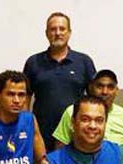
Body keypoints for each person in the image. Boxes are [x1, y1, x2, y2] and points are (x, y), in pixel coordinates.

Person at [23, 12, 96, 151]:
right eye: (53, 29)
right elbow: (25, 100)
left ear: (69, 33)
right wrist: (27, 128)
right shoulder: (33, 62)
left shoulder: (84, 62)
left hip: (75, 135)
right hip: (42, 136)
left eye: (62, 29)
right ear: (46, 33)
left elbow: (94, 100)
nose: (58, 33)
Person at [52, 69, 123, 149]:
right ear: (91, 88)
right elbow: (60, 147)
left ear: (116, 90)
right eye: (100, 86)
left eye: (110, 87)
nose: (105, 92)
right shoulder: (73, 111)